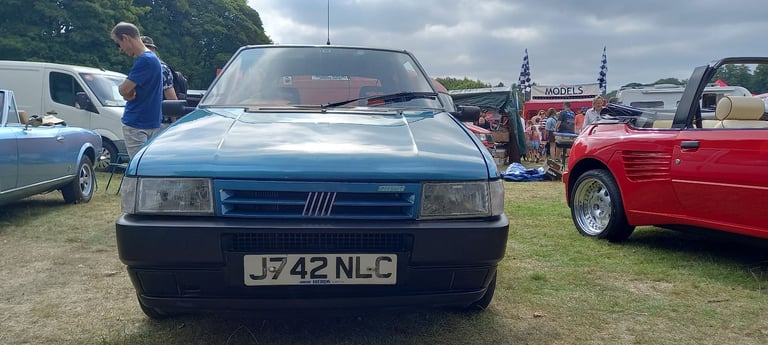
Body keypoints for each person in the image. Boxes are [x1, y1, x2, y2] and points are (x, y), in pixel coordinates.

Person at [111, 22, 163, 159]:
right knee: (147, 168)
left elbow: (123, 90)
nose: (120, 49)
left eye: (118, 44)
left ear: (126, 38)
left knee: (138, 167)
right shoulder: (153, 58)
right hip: (152, 121)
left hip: (137, 123)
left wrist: (125, 91)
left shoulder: (144, 60)